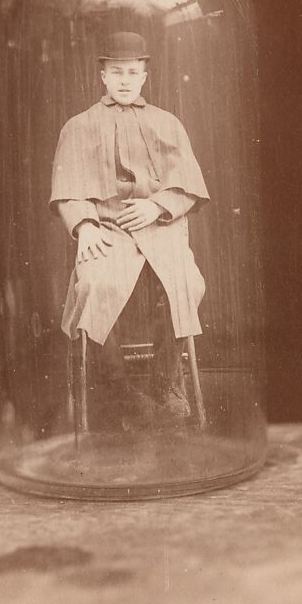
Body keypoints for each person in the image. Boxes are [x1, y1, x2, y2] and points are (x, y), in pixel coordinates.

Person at [50, 31, 208, 427]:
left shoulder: (167, 123)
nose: (124, 80)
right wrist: (84, 225)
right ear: (103, 75)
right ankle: (115, 388)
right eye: (116, 72)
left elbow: (188, 184)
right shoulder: (78, 126)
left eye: (132, 73)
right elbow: (68, 189)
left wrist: (157, 206)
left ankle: (166, 381)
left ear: (144, 77)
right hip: (106, 229)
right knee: (94, 286)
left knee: (185, 284)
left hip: (160, 228)